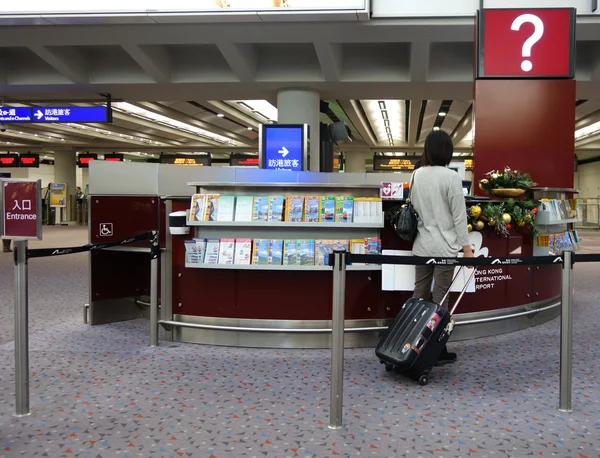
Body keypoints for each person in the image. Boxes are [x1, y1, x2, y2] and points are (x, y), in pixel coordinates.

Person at [410, 130, 473, 366]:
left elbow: (415, 209)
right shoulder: (451, 177)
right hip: (445, 247)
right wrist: (466, 248)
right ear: (448, 151)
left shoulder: (416, 175)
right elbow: (459, 218)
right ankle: (436, 349)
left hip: (421, 245)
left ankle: (412, 344)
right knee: (440, 300)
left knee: (418, 295)